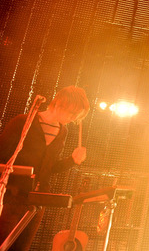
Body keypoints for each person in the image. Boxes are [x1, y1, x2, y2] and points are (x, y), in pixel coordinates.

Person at [0, 86, 89, 250]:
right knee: (3, 243)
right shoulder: (22, 122)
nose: (73, 118)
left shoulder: (62, 131)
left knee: (22, 247)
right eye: (72, 113)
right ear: (60, 104)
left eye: (76, 116)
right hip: (12, 195)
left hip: (38, 198)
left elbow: (49, 169)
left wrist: (72, 161)